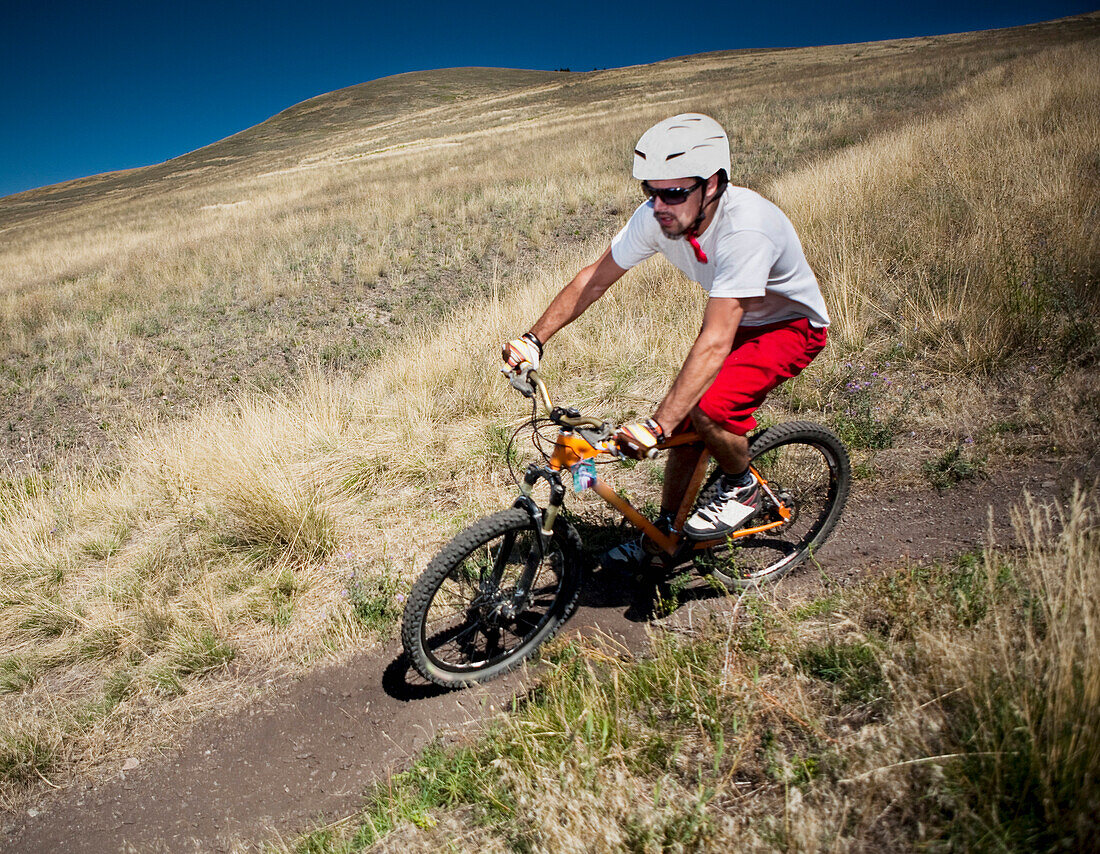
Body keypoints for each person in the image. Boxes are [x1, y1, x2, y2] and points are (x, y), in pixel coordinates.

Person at [502, 113, 830, 569]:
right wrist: (533, 339)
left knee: (709, 408)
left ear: (712, 184)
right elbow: (593, 280)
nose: (659, 206)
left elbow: (715, 340)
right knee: (684, 429)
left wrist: (655, 426)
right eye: (650, 191)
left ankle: (742, 484)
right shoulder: (658, 217)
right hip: (735, 321)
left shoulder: (745, 228)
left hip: (789, 326)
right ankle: (664, 538)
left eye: (673, 193)